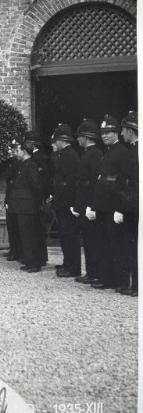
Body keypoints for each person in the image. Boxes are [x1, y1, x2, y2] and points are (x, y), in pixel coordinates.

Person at [91, 115, 131, 290]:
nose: (105, 135)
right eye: (103, 133)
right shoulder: (107, 152)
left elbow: (123, 182)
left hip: (114, 204)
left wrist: (120, 208)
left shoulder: (122, 152)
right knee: (105, 243)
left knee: (117, 244)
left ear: (117, 133)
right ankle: (108, 278)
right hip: (104, 205)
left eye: (109, 132)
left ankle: (121, 281)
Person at [71, 119, 103, 284]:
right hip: (84, 203)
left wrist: (92, 204)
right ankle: (91, 271)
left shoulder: (95, 154)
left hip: (89, 203)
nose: (77, 140)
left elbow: (94, 182)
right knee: (88, 240)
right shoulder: (87, 154)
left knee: (93, 240)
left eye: (79, 137)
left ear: (86, 137)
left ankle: (95, 272)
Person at [7, 139, 44, 273]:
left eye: (18, 151)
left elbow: (35, 186)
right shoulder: (24, 165)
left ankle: (34, 263)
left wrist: (37, 203)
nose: (16, 153)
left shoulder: (30, 165)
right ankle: (30, 261)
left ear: (24, 151)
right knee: (25, 235)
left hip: (27, 206)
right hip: (22, 206)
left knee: (29, 236)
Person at [50, 123, 81, 278]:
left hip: (67, 203)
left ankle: (73, 267)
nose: (54, 143)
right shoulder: (65, 154)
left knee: (70, 235)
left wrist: (69, 203)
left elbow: (70, 182)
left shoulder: (69, 156)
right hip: (62, 201)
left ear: (62, 140)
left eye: (56, 140)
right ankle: (68, 262)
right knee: (64, 234)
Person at [117, 111, 138, 297]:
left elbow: (131, 185)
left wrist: (123, 209)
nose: (122, 134)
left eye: (123, 130)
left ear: (131, 131)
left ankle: (136, 286)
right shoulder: (133, 151)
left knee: (133, 246)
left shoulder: (133, 153)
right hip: (134, 207)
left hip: (134, 209)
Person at [24, 131, 51, 266]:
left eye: (27, 143)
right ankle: (40, 258)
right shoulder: (37, 157)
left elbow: (42, 180)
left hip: (38, 198)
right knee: (37, 230)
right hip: (38, 197)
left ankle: (38, 259)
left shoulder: (38, 158)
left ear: (32, 144)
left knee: (37, 230)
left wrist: (43, 197)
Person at [3, 146, 22, 262]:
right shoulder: (10, 162)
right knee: (11, 225)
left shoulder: (18, 163)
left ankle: (17, 251)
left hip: (15, 197)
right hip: (10, 196)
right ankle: (13, 249)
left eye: (12, 150)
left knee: (15, 226)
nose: (9, 151)